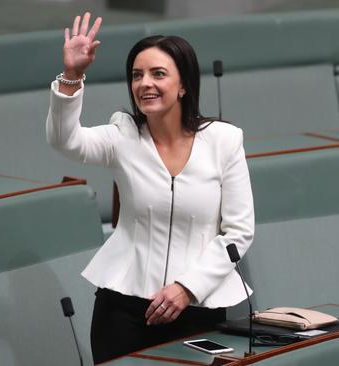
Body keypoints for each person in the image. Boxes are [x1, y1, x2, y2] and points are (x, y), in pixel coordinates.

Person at [46, 12, 255, 364]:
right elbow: (65, 141)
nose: (145, 83)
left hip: (198, 306)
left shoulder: (224, 141)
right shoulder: (123, 135)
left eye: (158, 74)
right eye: (136, 75)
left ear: (184, 85)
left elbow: (239, 231)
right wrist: (71, 76)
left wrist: (187, 288)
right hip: (123, 309)